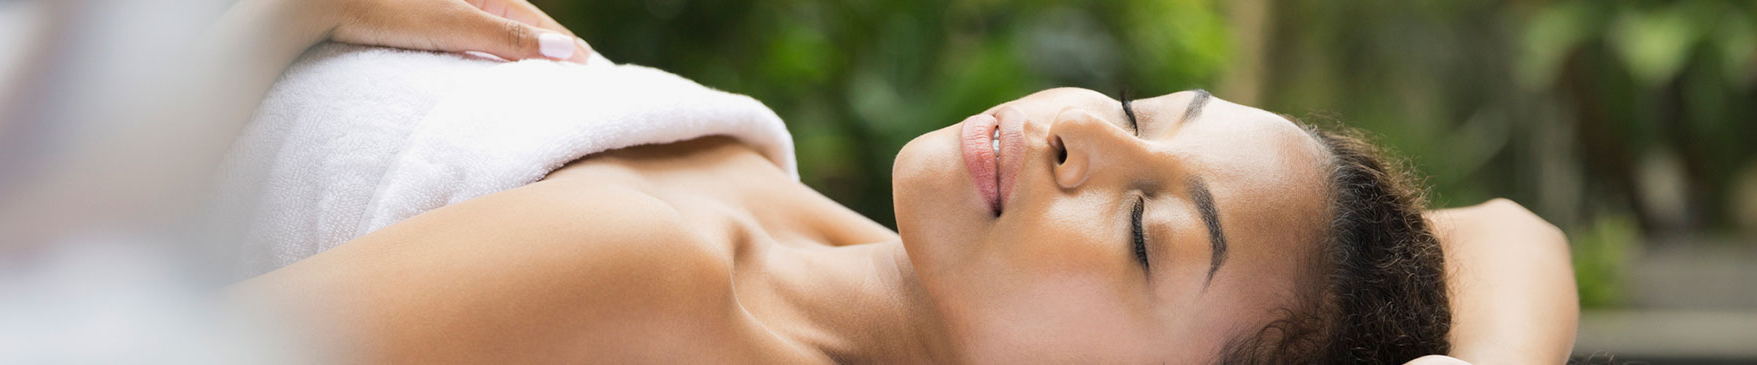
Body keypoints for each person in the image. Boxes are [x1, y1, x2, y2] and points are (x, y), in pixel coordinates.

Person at [214, 0, 1578, 363]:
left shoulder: (674, 288)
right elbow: (1491, 232)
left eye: (1150, 230)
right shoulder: (825, 251)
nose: (1080, 139)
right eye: (1137, 111)